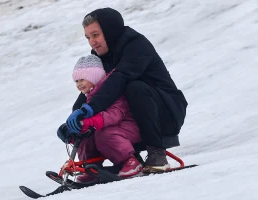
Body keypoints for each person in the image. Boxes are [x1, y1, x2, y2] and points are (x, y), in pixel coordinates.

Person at [66, 8, 188, 173]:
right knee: (100, 111)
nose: (92, 42)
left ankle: (157, 154)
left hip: (166, 113)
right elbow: (93, 89)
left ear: (110, 32)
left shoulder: (136, 45)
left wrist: (91, 108)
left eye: (96, 35)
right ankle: (119, 161)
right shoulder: (100, 55)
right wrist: (76, 117)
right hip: (132, 119)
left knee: (134, 87)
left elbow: (119, 78)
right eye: (88, 37)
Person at [57, 55, 143, 182]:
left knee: (104, 134)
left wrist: (90, 122)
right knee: (87, 136)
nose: (79, 84)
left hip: (129, 128)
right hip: (112, 129)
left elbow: (114, 114)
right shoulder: (88, 97)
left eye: (82, 79)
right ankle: (91, 168)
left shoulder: (111, 90)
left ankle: (130, 161)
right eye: (76, 81)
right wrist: (72, 130)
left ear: (94, 76)